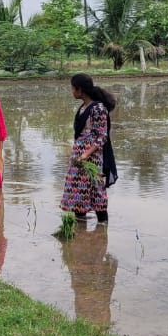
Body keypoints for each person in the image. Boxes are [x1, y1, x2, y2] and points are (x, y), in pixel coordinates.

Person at [60, 73, 118, 223]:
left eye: (73, 88)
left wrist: (86, 154)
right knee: (78, 193)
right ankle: (81, 231)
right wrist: (78, 154)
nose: (72, 91)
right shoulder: (83, 108)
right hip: (79, 157)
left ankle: (102, 229)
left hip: (92, 159)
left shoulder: (98, 108)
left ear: (80, 90)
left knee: (96, 192)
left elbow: (102, 137)